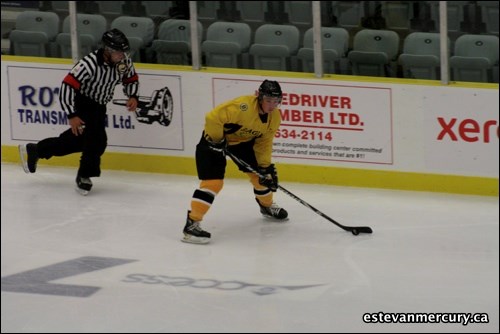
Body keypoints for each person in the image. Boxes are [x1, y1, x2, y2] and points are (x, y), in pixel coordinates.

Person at [18, 28, 139, 195]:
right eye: (119, 52)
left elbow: (130, 78)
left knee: (81, 141)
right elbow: (67, 86)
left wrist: (132, 95)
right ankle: (84, 175)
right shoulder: (88, 64)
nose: (123, 55)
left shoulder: (122, 62)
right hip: (84, 103)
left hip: (99, 106)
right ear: (107, 51)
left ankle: (37, 150)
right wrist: (72, 115)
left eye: (124, 51)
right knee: (96, 141)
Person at [182, 80, 289, 244]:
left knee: (262, 178)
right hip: (212, 141)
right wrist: (216, 140)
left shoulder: (274, 117)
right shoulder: (242, 107)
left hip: (243, 144)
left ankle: (267, 206)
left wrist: (265, 166)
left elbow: (264, 143)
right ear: (259, 96)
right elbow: (212, 117)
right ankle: (192, 224)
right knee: (213, 184)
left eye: (276, 101)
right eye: (269, 100)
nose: (272, 105)